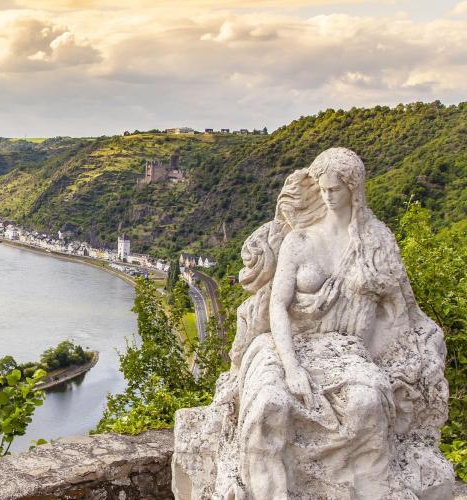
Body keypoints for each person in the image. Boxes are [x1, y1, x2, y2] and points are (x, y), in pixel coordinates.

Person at [173, 148, 452, 499]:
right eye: (322, 189)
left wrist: (378, 359)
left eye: (335, 189)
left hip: (346, 352)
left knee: (366, 401)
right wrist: (292, 367)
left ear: (354, 188)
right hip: (286, 344)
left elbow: (400, 312)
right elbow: (277, 305)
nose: (327, 196)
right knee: (269, 404)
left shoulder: (376, 242)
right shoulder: (299, 240)